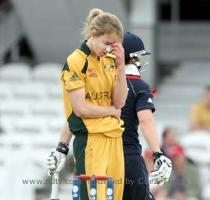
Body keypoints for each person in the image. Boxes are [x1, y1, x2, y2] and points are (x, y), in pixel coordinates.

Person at [46, 32, 172, 199]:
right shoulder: (139, 85)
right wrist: (158, 153)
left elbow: (77, 114)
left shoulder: (101, 80)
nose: (139, 62)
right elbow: (145, 119)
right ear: (129, 57)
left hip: (97, 158)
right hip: (127, 157)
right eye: (137, 58)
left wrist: (62, 147)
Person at [47, 8, 128, 200]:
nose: (109, 49)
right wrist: (111, 111)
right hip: (91, 138)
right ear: (94, 34)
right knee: (93, 196)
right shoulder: (76, 61)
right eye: (107, 43)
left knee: (115, 196)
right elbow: (81, 109)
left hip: (114, 136)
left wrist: (121, 66)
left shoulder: (110, 59)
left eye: (114, 45)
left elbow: (120, 101)